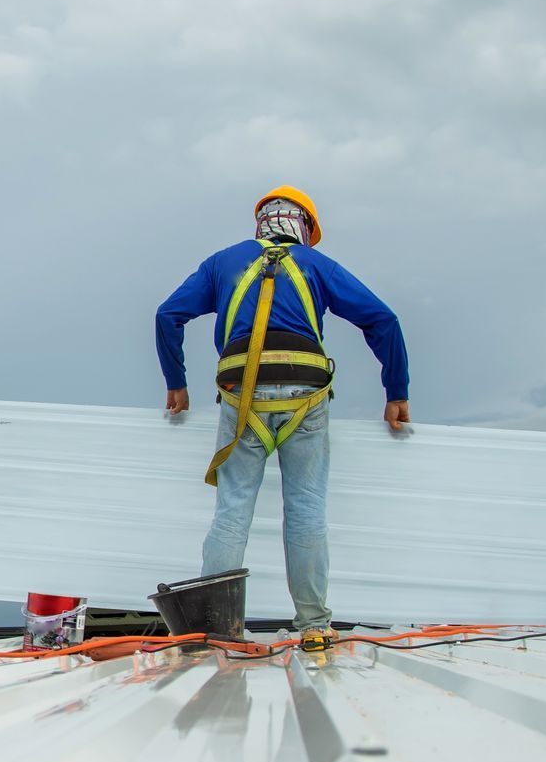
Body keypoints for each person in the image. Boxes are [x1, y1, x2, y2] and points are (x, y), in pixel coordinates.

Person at [153, 186, 410, 648]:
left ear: (260, 224)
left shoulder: (223, 262)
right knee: (307, 511)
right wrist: (396, 391)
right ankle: (314, 624)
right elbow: (383, 319)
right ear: (305, 228)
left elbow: (168, 314)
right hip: (306, 393)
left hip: (240, 392)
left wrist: (177, 382)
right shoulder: (315, 264)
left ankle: (216, 628)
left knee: (232, 511)